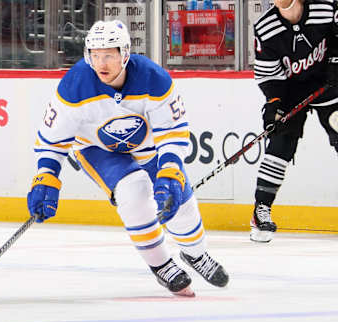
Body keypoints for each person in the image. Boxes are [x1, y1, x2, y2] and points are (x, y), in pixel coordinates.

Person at [27, 20, 229, 296]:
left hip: (145, 144)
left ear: (125, 54)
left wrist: (170, 169)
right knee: (133, 191)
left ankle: (195, 253)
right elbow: (53, 140)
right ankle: (161, 265)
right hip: (96, 147)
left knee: (175, 190)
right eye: (95, 55)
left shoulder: (152, 78)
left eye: (108, 55)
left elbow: (172, 132)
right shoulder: (74, 85)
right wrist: (45, 177)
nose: (101, 63)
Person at [251, 0, 338, 242]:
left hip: (328, 83)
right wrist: (274, 104)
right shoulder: (266, 27)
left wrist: (335, 61)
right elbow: (269, 76)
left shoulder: (326, 7)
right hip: (291, 90)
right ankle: (261, 211)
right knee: (280, 142)